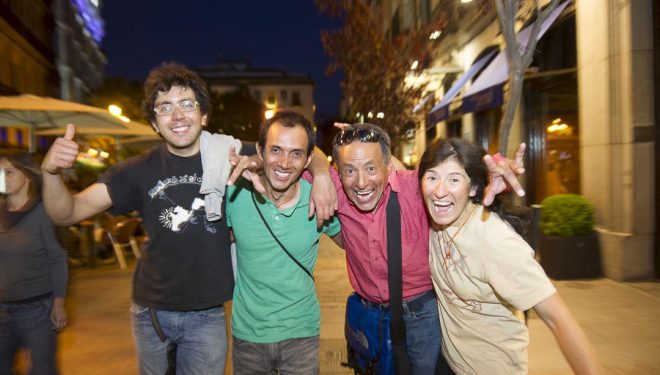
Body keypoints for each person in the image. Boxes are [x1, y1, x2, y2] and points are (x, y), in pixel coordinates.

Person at [40, 62, 336, 374]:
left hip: (207, 315)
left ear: (204, 114)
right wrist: (50, 172)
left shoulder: (230, 154)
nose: (178, 115)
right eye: (165, 107)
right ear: (155, 122)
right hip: (150, 313)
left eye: (187, 104)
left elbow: (303, 148)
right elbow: (67, 212)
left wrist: (321, 177)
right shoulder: (135, 170)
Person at [329, 123, 526, 374]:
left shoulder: (416, 187)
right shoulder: (335, 187)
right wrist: (321, 174)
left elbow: (457, 173)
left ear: (388, 167)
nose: (361, 181)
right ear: (338, 172)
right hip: (368, 317)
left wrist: (496, 169)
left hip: (421, 315)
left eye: (371, 167)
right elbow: (300, 157)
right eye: (349, 170)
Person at [418, 138, 602, 375]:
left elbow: (559, 320)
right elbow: (385, 167)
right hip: (448, 363)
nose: (439, 191)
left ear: (473, 188)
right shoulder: (435, 218)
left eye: (454, 179)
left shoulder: (497, 243)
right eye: (432, 177)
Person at [226, 110, 341, 374]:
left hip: (301, 333)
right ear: (260, 151)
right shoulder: (235, 193)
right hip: (248, 335)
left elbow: (355, 243)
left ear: (308, 159)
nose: (284, 163)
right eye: (275, 150)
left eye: (296, 153)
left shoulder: (319, 199)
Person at [0, 150, 68, 375]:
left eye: (9, 172)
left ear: (28, 176)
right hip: (2, 309)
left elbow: (58, 259)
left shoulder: (44, 213)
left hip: (38, 310)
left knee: (42, 369)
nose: (2, 178)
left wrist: (58, 304)